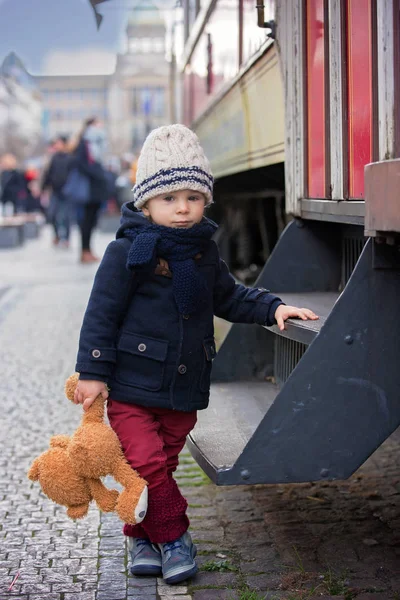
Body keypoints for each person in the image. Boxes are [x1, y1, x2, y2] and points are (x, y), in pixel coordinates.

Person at [73, 124, 318, 585]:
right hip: (131, 384)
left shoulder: (204, 253)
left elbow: (229, 296)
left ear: (206, 200)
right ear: (146, 203)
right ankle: (174, 536)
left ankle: (140, 535)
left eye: (193, 196)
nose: (182, 207)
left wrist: (273, 306)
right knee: (143, 461)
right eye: (169, 198)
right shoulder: (128, 251)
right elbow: (101, 314)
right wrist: (91, 371)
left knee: (161, 464)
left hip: (183, 387)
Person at [74, 117, 108, 263]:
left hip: (95, 189)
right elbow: (81, 165)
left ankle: (89, 250)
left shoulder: (97, 145)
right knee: (86, 220)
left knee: (92, 220)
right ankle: (84, 251)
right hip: (87, 190)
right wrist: (98, 174)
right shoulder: (84, 144)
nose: (100, 126)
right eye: (97, 124)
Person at [41, 136, 72, 245]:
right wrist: (43, 187)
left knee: (66, 216)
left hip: (67, 192)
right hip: (55, 191)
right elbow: (48, 174)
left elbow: (73, 175)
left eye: (58, 143)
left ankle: (67, 238)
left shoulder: (70, 158)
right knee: (52, 214)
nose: (56, 145)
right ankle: (57, 236)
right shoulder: (54, 158)